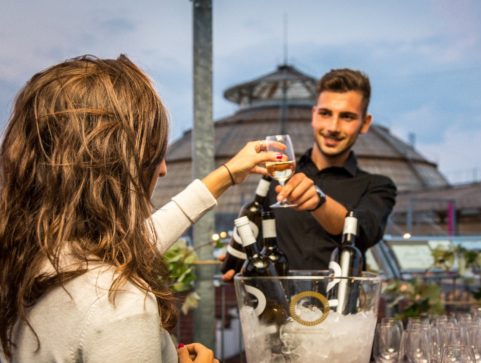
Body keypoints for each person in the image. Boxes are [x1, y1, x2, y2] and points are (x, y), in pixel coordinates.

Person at [0, 55, 280, 363]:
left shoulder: (28, 261)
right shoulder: (121, 304)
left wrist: (226, 175)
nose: (163, 169)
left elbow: (136, 244)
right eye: (153, 153)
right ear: (117, 166)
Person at [221, 68, 396, 278]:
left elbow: (360, 232)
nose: (333, 127)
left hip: (339, 308)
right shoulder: (279, 176)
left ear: (365, 123)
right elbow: (263, 239)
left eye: (347, 117)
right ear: (313, 115)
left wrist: (318, 200)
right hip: (279, 307)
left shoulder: (378, 186)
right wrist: (247, 260)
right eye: (325, 113)